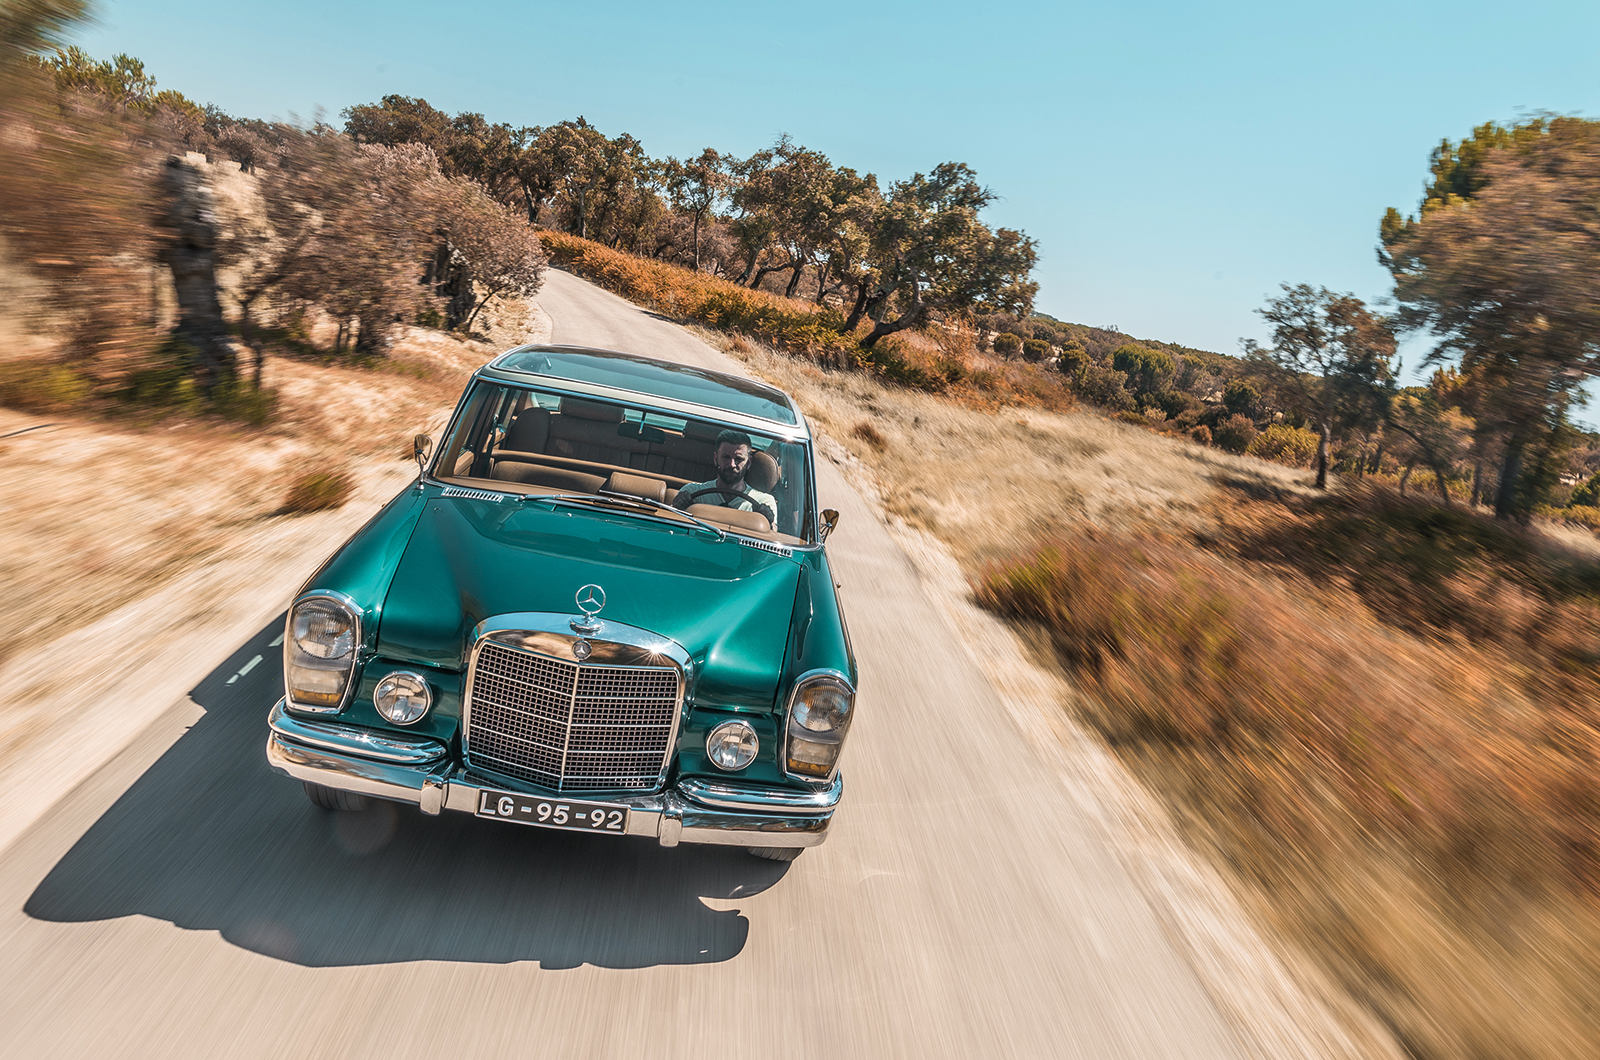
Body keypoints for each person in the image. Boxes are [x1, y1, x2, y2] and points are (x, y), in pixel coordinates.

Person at [673, 429, 778, 526]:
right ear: (715, 459)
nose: (732, 464)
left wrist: (766, 520)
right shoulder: (692, 492)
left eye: (738, 459)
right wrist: (679, 506)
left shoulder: (763, 502)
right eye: (726, 457)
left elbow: (773, 537)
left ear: (749, 462)